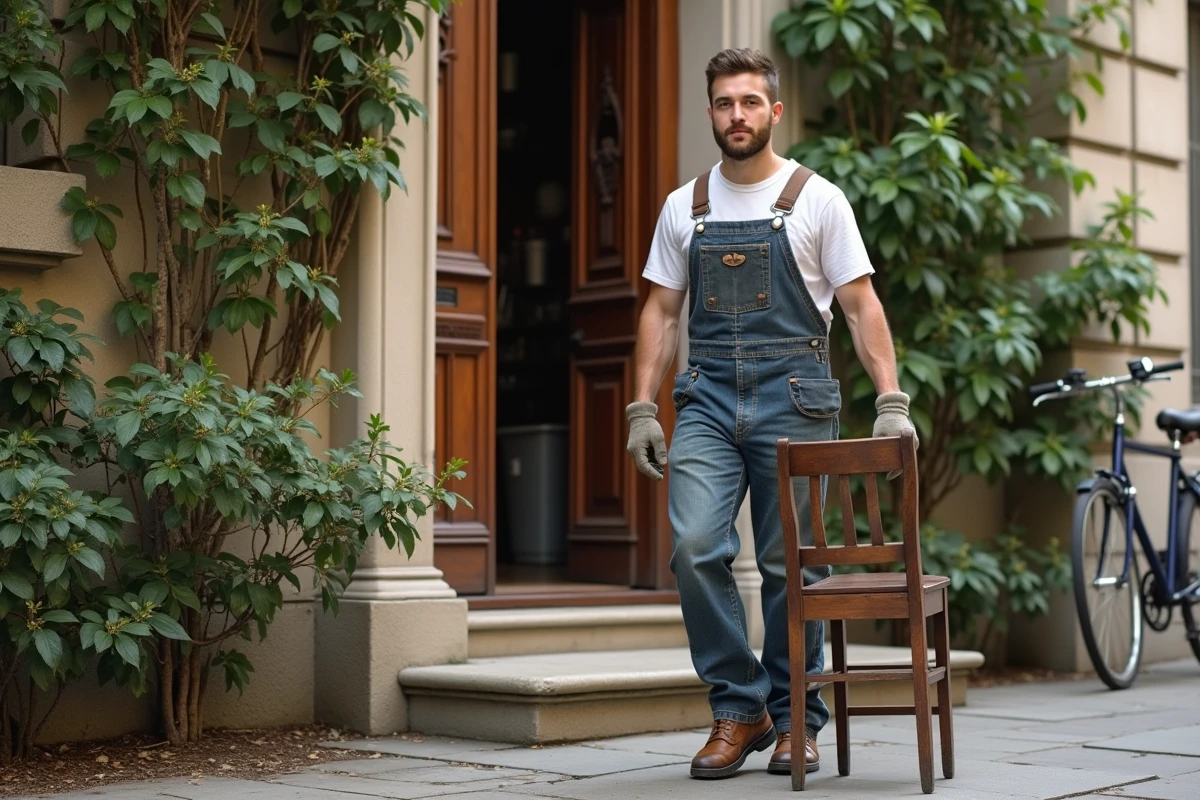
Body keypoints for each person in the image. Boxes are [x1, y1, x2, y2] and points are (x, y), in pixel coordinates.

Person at [625, 47, 916, 780]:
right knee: (694, 545)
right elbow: (661, 312)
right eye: (725, 104)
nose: (737, 116)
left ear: (774, 111)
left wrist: (891, 400)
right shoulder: (683, 206)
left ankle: (795, 719)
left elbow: (860, 305)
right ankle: (738, 706)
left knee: (794, 568)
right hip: (707, 398)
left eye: (750, 102)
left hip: (795, 394)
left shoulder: (818, 198)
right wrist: (640, 408)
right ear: (711, 113)